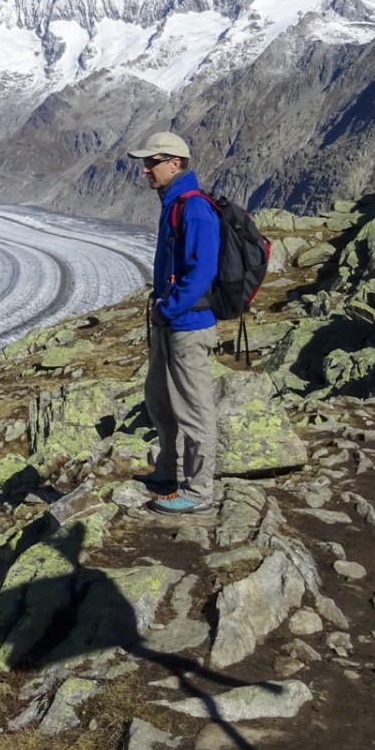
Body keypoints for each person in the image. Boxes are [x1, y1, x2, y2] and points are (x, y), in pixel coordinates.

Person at [126, 131, 220, 516]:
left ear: (175, 163)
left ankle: (198, 491)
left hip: (188, 324)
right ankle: (167, 471)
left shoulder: (193, 208)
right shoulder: (173, 203)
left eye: (153, 161)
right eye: (145, 162)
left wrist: (169, 309)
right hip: (171, 321)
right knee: (160, 400)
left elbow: (202, 271)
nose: (145, 169)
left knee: (194, 409)